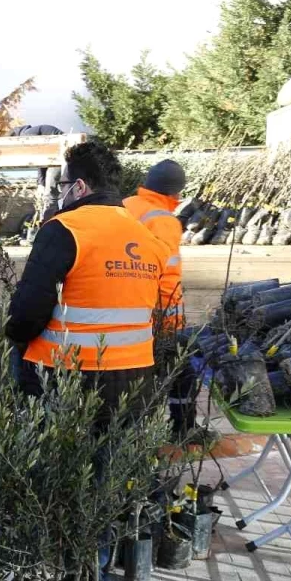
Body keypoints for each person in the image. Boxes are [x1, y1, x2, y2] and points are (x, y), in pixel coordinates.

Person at [6, 140, 167, 418]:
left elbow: (27, 313)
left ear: (79, 187)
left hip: (66, 375)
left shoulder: (64, 229)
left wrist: (15, 337)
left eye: (62, 185)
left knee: (56, 458)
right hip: (135, 376)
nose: (60, 193)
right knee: (113, 458)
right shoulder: (148, 238)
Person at [123, 160, 195, 435]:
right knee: (181, 371)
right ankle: (183, 430)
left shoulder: (125, 205)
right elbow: (168, 278)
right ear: (175, 195)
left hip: (122, 306)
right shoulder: (163, 220)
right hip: (153, 312)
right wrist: (173, 325)